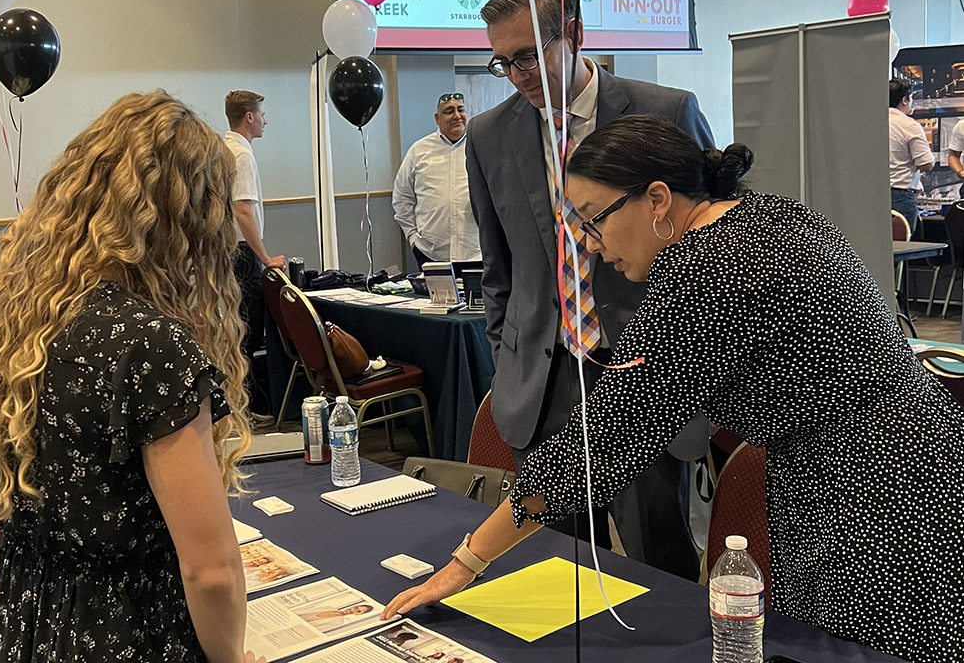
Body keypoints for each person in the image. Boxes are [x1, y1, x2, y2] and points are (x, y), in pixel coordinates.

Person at [385, 115, 964, 663]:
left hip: (872, 496)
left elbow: (601, 442)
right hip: (911, 456)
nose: (588, 243)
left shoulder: (704, 271)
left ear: (657, 200)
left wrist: (466, 562)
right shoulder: (773, 216)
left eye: (594, 219)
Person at [0, 92, 263, 663]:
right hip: (132, 629)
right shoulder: (151, 344)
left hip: (28, 613)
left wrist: (36, 504)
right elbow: (211, 571)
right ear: (189, 222)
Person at [467, 0, 713, 578]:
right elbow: (499, 271)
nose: (519, 75)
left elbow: (708, 238)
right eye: (502, 63)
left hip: (645, 372)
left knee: (659, 559)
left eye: (528, 55)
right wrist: (509, 352)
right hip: (541, 379)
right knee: (552, 568)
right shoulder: (487, 134)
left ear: (573, 34)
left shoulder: (665, 111)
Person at [224, 90, 283, 426]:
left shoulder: (222, 148)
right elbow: (242, 209)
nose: (265, 120)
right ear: (249, 117)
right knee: (247, 332)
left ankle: (235, 405)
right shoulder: (242, 155)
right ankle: (244, 408)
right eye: (261, 113)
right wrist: (265, 257)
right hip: (243, 255)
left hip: (225, 253)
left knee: (233, 330)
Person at [392, 92, 480, 266]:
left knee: (477, 295)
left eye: (460, 110)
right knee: (434, 295)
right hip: (431, 253)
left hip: (476, 251)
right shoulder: (419, 150)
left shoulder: (481, 146)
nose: (457, 116)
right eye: (449, 111)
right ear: (437, 118)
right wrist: (412, 237)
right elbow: (402, 198)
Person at [888, 77, 933, 234]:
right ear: (904, 100)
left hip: (871, 194)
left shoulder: (871, 123)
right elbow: (926, 164)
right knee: (900, 250)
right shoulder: (909, 125)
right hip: (900, 196)